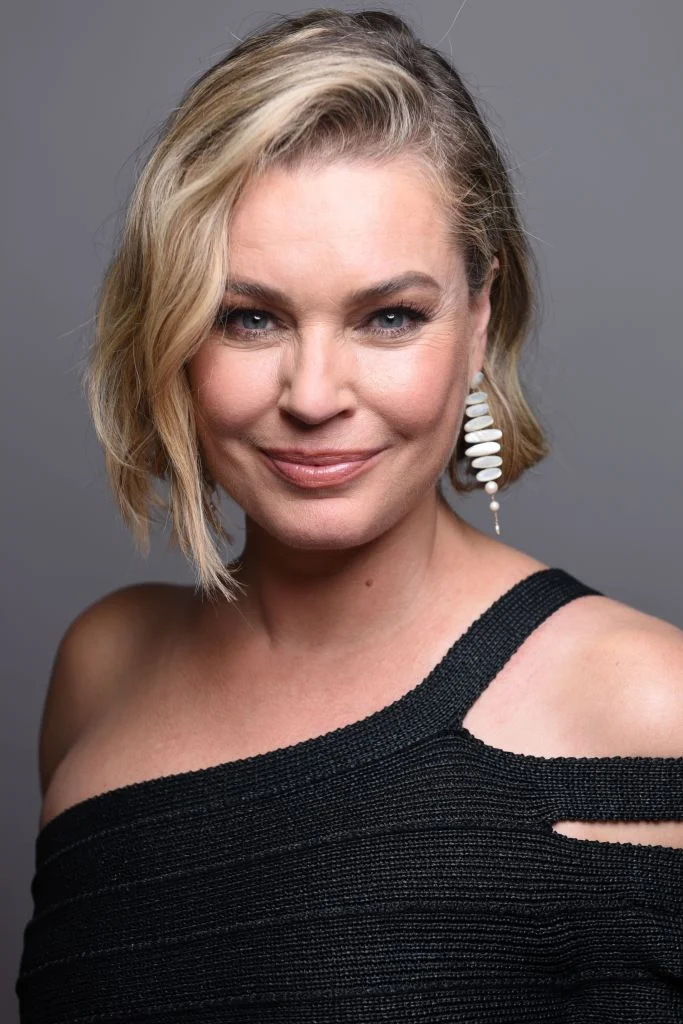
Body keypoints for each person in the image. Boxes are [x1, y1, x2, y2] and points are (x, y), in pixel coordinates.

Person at [16, 9, 683, 1022]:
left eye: (388, 317)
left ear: (478, 319)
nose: (315, 394)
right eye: (249, 318)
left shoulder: (644, 705)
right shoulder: (102, 668)